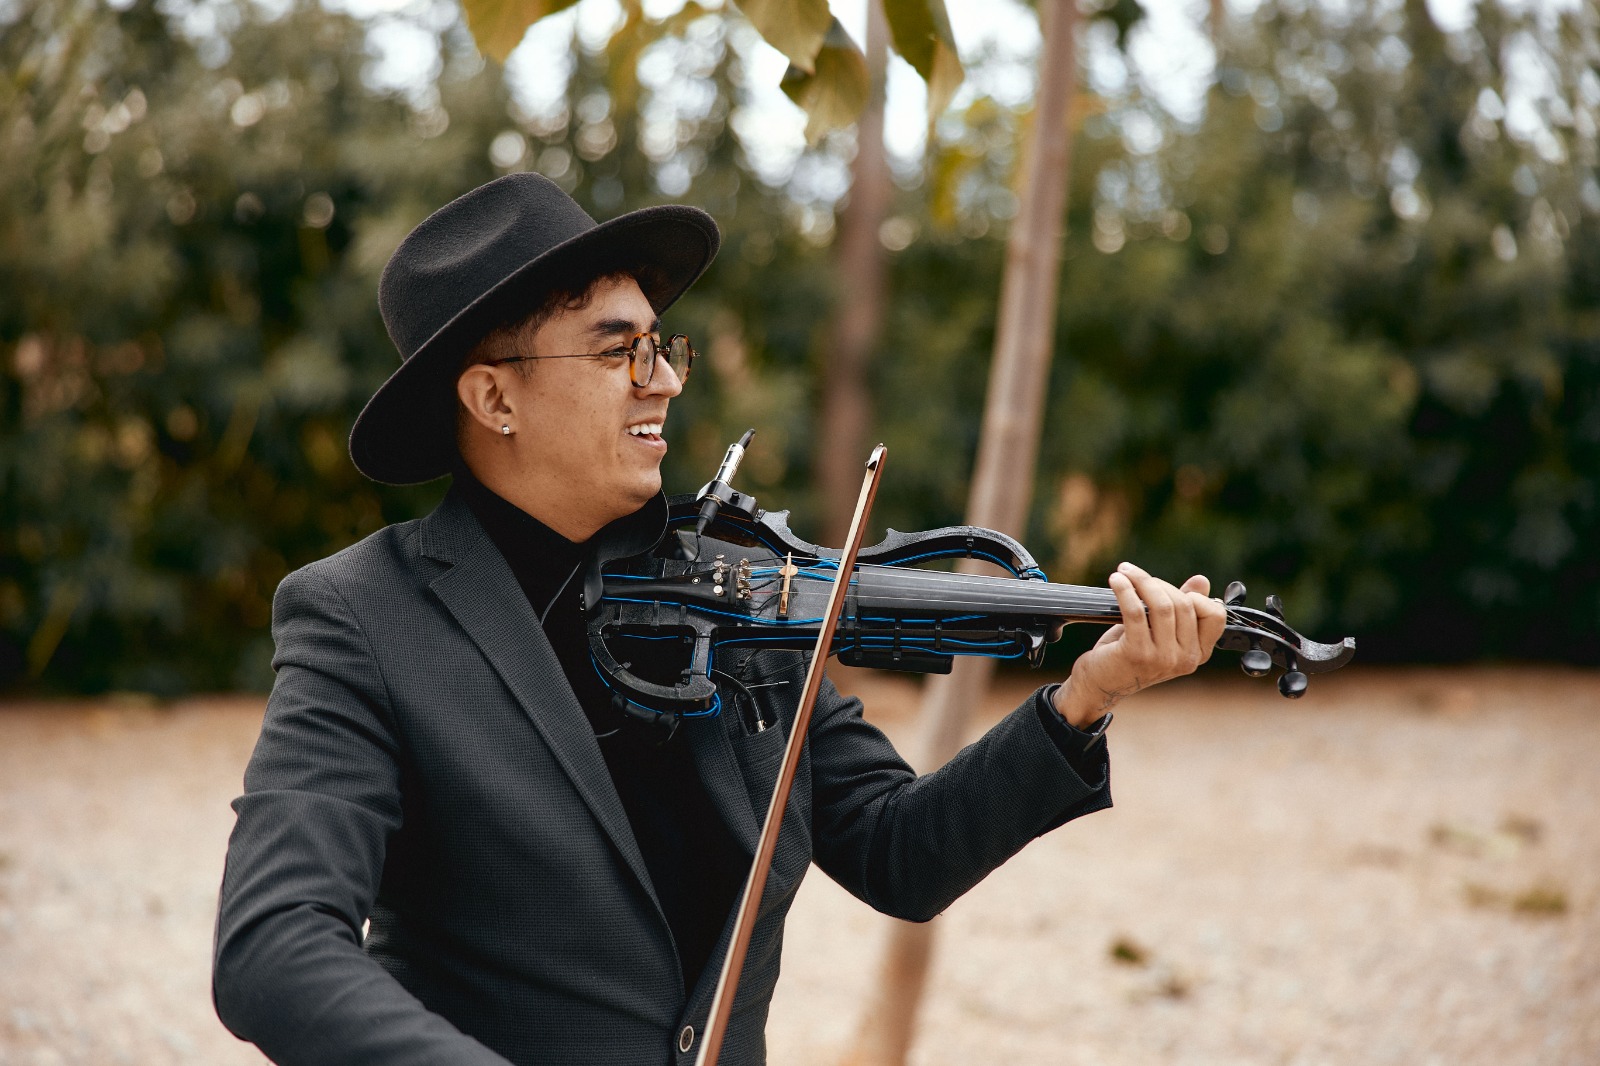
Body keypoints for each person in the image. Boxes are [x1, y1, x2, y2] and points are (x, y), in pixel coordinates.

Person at [212, 173, 1226, 1066]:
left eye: (661, 347)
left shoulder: (743, 598)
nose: (663, 381)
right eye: (618, 353)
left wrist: (1084, 695)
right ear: (493, 398)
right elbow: (275, 946)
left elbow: (897, 851)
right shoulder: (362, 618)